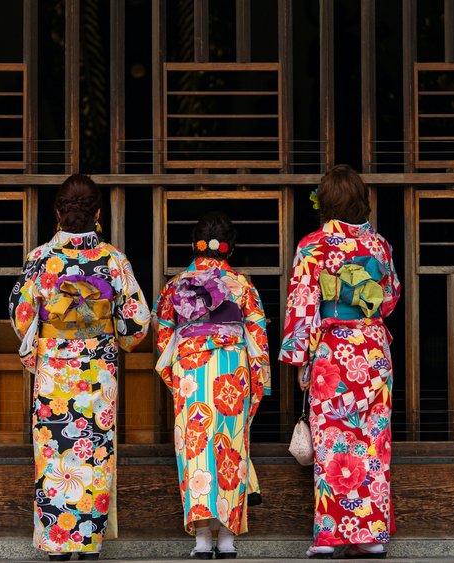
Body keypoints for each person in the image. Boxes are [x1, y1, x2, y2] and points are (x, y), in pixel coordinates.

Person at [10, 174, 151, 561]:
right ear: (99, 213)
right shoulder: (113, 260)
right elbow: (137, 322)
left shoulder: (40, 259)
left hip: (54, 369)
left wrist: (38, 347)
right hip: (96, 372)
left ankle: (57, 543)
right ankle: (88, 541)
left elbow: (21, 315)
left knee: (54, 453)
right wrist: (115, 335)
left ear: (57, 211)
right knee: (93, 454)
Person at [279, 165, 400, 559]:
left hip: (334, 352)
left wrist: (300, 356)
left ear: (325, 202)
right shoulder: (379, 245)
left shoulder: (313, 245)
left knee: (333, 441)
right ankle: (371, 535)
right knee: (372, 441)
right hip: (373, 349)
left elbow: (302, 304)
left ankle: (331, 535)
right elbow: (391, 297)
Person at [153, 212, 271, 559]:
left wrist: (175, 376)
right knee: (231, 447)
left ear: (194, 246)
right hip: (232, 369)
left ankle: (202, 539)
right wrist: (256, 381)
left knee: (196, 448)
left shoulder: (176, 285)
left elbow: (163, 336)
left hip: (191, 370)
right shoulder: (242, 285)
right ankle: (228, 539)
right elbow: (259, 337)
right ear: (229, 249)